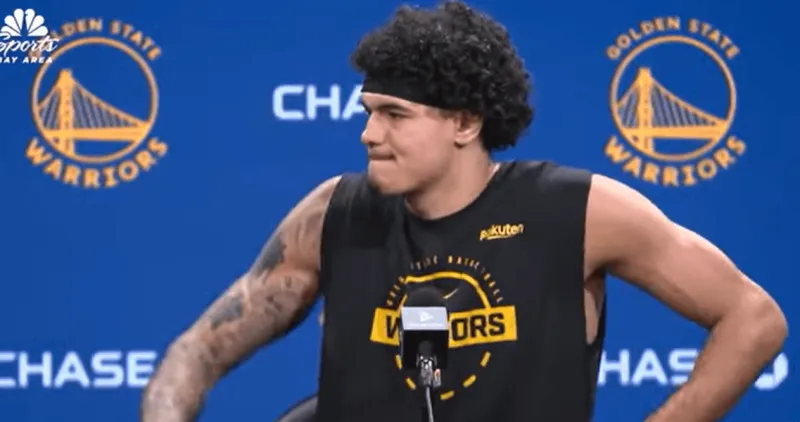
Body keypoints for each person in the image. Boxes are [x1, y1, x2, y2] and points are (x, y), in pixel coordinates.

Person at [139, 1, 787, 421]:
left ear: (465, 123)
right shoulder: (331, 214)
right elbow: (196, 351)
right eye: (368, 113)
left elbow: (753, 318)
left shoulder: (578, 212)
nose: (368, 134)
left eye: (395, 116)